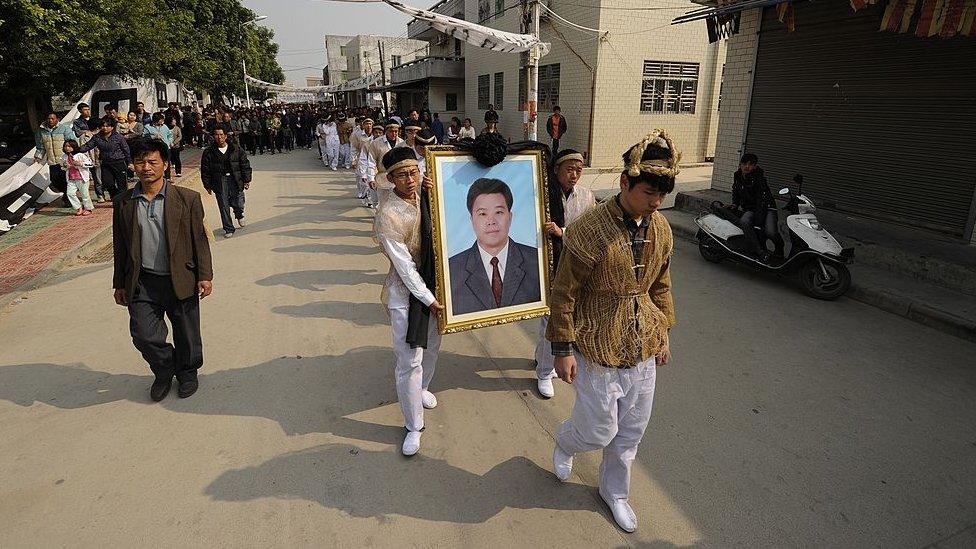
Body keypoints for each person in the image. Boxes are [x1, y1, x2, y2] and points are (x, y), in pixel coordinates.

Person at [547, 131, 678, 534]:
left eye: (662, 194)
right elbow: (564, 290)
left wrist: (664, 332)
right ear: (625, 183)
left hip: (642, 342)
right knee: (597, 429)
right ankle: (567, 441)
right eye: (649, 192)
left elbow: (660, 285)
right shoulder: (589, 229)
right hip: (597, 342)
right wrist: (562, 347)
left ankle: (615, 492)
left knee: (632, 431)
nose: (656, 202)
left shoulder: (662, 228)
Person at [112, 138, 213, 401]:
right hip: (143, 281)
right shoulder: (124, 202)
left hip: (180, 276)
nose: (145, 167)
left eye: (152, 161)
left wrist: (204, 275)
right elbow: (120, 245)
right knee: (143, 335)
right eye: (140, 161)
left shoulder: (187, 199)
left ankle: (188, 372)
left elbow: (198, 239)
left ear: (165, 164)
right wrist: (119, 283)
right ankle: (165, 368)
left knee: (187, 332)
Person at [373, 146, 445, 456]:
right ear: (390, 179)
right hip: (406, 295)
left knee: (433, 344)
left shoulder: (427, 193)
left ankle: (423, 388)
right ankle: (414, 425)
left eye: (413, 172)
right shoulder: (388, 214)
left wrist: (434, 187)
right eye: (402, 175)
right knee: (409, 360)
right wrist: (428, 298)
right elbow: (404, 267)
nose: (410, 179)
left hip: (436, 287)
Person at [535, 149, 595, 399]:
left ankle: (543, 358)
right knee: (550, 318)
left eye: (579, 170)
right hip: (545, 263)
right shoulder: (541, 193)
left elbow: (591, 230)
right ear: (557, 170)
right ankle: (544, 372)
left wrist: (563, 232)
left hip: (574, 265)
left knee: (563, 317)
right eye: (569, 169)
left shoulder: (586, 196)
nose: (574, 175)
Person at [448, 178, 541, 315]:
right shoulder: (452, 269)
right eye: (482, 214)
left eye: (498, 212)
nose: (491, 222)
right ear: (471, 220)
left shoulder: (537, 261)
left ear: (510, 217)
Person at [200, 125, 252, 238]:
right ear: (213, 136)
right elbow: (205, 169)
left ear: (225, 136)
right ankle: (228, 228)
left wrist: (247, 179)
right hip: (219, 180)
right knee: (223, 205)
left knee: (238, 202)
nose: (219, 137)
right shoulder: (209, 152)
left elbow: (244, 164)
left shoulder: (236, 149)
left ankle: (239, 214)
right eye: (216, 135)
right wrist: (207, 185)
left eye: (221, 135)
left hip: (234, 178)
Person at [731, 153, 779, 261]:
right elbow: (735, 190)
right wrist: (735, 203)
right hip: (751, 208)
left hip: (767, 207)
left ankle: (779, 247)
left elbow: (761, 201)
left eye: (750, 164)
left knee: (770, 231)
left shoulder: (759, 179)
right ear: (740, 164)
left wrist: (758, 221)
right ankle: (757, 248)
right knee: (744, 221)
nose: (747, 167)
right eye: (744, 164)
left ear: (755, 166)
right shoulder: (737, 176)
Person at [78, 116, 132, 199]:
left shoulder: (118, 137)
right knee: (108, 183)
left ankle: (123, 200)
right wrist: (75, 150)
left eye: (107, 126)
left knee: (122, 184)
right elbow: (88, 146)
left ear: (112, 127)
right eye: (103, 126)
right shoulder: (97, 137)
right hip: (106, 163)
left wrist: (130, 162)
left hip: (119, 162)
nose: (105, 128)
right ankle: (116, 197)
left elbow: (126, 150)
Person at [33, 112, 78, 207]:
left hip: (64, 161)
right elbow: (40, 147)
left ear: (57, 119)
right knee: (54, 180)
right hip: (52, 161)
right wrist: (38, 157)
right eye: (49, 118)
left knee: (65, 180)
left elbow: (72, 143)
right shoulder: (41, 131)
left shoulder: (65, 129)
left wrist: (72, 155)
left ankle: (68, 198)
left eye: (53, 118)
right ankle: (67, 194)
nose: (50, 120)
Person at [367, 121, 406, 208]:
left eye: (396, 131)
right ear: (386, 131)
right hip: (382, 178)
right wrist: (371, 178)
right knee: (380, 204)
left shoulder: (402, 143)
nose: (394, 133)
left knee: (396, 204)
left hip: (397, 178)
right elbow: (371, 162)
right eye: (391, 131)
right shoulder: (376, 143)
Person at [72, 103, 104, 203]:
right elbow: (78, 134)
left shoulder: (96, 122)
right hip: (87, 157)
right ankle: (86, 198)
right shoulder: (77, 122)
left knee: (98, 179)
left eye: (88, 109)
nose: (87, 111)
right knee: (85, 180)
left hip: (97, 157)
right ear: (80, 111)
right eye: (85, 109)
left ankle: (100, 194)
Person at [59, 139, 94, 215]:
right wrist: (65, 166)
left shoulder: (80, 155)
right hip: (71, 179)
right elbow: (62, 166)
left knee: (85, 194)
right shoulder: (64, 156)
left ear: (74, 147)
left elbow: (90, 164)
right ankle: (78, 207)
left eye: (69, 146)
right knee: (70, 193)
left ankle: (88, 208)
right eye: (65, 146)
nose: (67, 148)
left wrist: (80, 164)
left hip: (81, 178)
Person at [362, 122, 387, 208]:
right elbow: (364, 160)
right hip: (372, 172)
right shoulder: (367, 144)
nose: (378, 134)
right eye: (376, 132)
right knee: (374, 194)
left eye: (380, 133)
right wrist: (364, 174)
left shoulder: (388, 143)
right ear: (373, 133)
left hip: (385, 174)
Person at [351, 118, 373, 203]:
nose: (368, 125)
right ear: (363, 125)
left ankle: (369, 197)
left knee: (370, 177)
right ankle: (361, 192)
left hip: (372, 159)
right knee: (360, 177)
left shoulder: (375, 135)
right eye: (366, 124)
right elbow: (354, 148)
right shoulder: (357, 135)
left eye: (370, 124)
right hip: (361, 158)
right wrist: (353, 160)